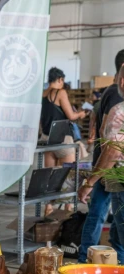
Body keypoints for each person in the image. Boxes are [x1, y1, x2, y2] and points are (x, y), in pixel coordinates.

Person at [78, 50, 124, 263]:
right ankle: (87, 257)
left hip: (113, 169)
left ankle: (86, 258)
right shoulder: (114, 97)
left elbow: (111, 145)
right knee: (110, 222)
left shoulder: (111, 96)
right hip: (112, 169)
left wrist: (90, 180)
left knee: (103, 217)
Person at [39, 67, 87, 215]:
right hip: (62, 139)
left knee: (50, 176)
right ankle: (68, 212)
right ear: (60, 79)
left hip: (47, 139)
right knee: (69, 176)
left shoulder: (42, 94)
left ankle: (48, 207)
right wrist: (81, 113)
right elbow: (71, 116)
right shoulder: (60, 92)